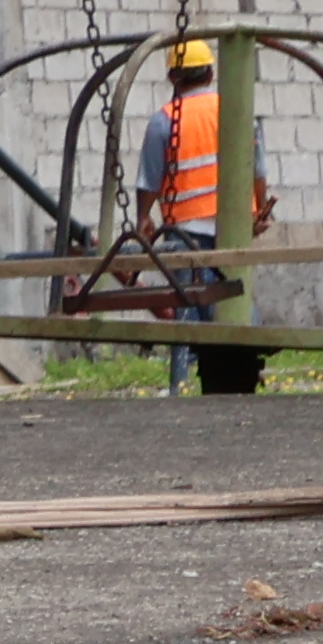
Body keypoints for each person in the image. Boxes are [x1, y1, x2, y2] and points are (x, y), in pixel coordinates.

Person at [137, 37, 268, 394]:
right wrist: (259, 209)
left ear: (172, 77)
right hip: (234, 224)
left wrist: (143, 220)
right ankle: (247, 361)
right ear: (210, 73)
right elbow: (257, 168)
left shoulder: (163, 122)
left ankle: (184, 379)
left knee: (190, 301)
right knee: (235, 294)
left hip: (187, 226)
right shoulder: (236, 110)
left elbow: (149, 180)